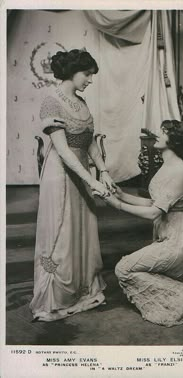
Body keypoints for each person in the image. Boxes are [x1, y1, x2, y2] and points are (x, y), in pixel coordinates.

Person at [103, 120, 183, 327]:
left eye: (164, 132)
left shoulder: (179, 171)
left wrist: (117, 205)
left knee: (123, 268)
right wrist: (122, 194)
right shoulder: (166, 165)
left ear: (175, 140)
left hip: (180, 242)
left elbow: (153, 213)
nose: (157, 134)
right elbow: (155, 202)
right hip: (168, 235)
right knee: (147, 273)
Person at [30, 48, 115, 322]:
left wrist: (103, 171)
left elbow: (88, 141)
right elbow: (64, 151)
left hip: (83, 173)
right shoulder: (51, 102)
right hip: (61, 175)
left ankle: (83, 291)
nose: (90, 80)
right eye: (87, 74)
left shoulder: (81, 101)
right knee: (61, 235)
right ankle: (55, 298)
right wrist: (91, 180)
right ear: (72, 72)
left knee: (83, 231)